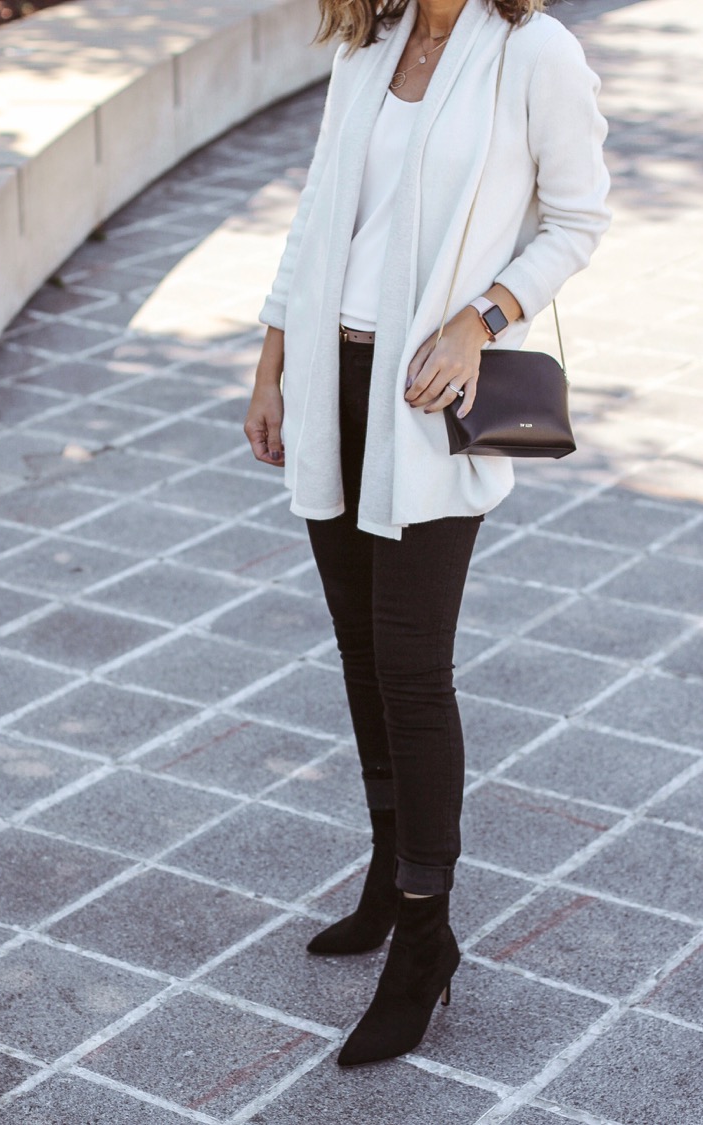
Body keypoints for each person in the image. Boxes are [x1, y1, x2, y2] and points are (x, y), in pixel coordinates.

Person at [244, 0, 610, 1067]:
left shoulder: (534, 52)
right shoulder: (372, 41)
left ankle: (423, 935)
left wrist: (480, 318)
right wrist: (270, 365)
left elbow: (578, 220)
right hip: (334, 377)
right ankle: (384, 869)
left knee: (411, 670)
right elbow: (317, 213)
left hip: (425, 399)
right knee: (361, 652)